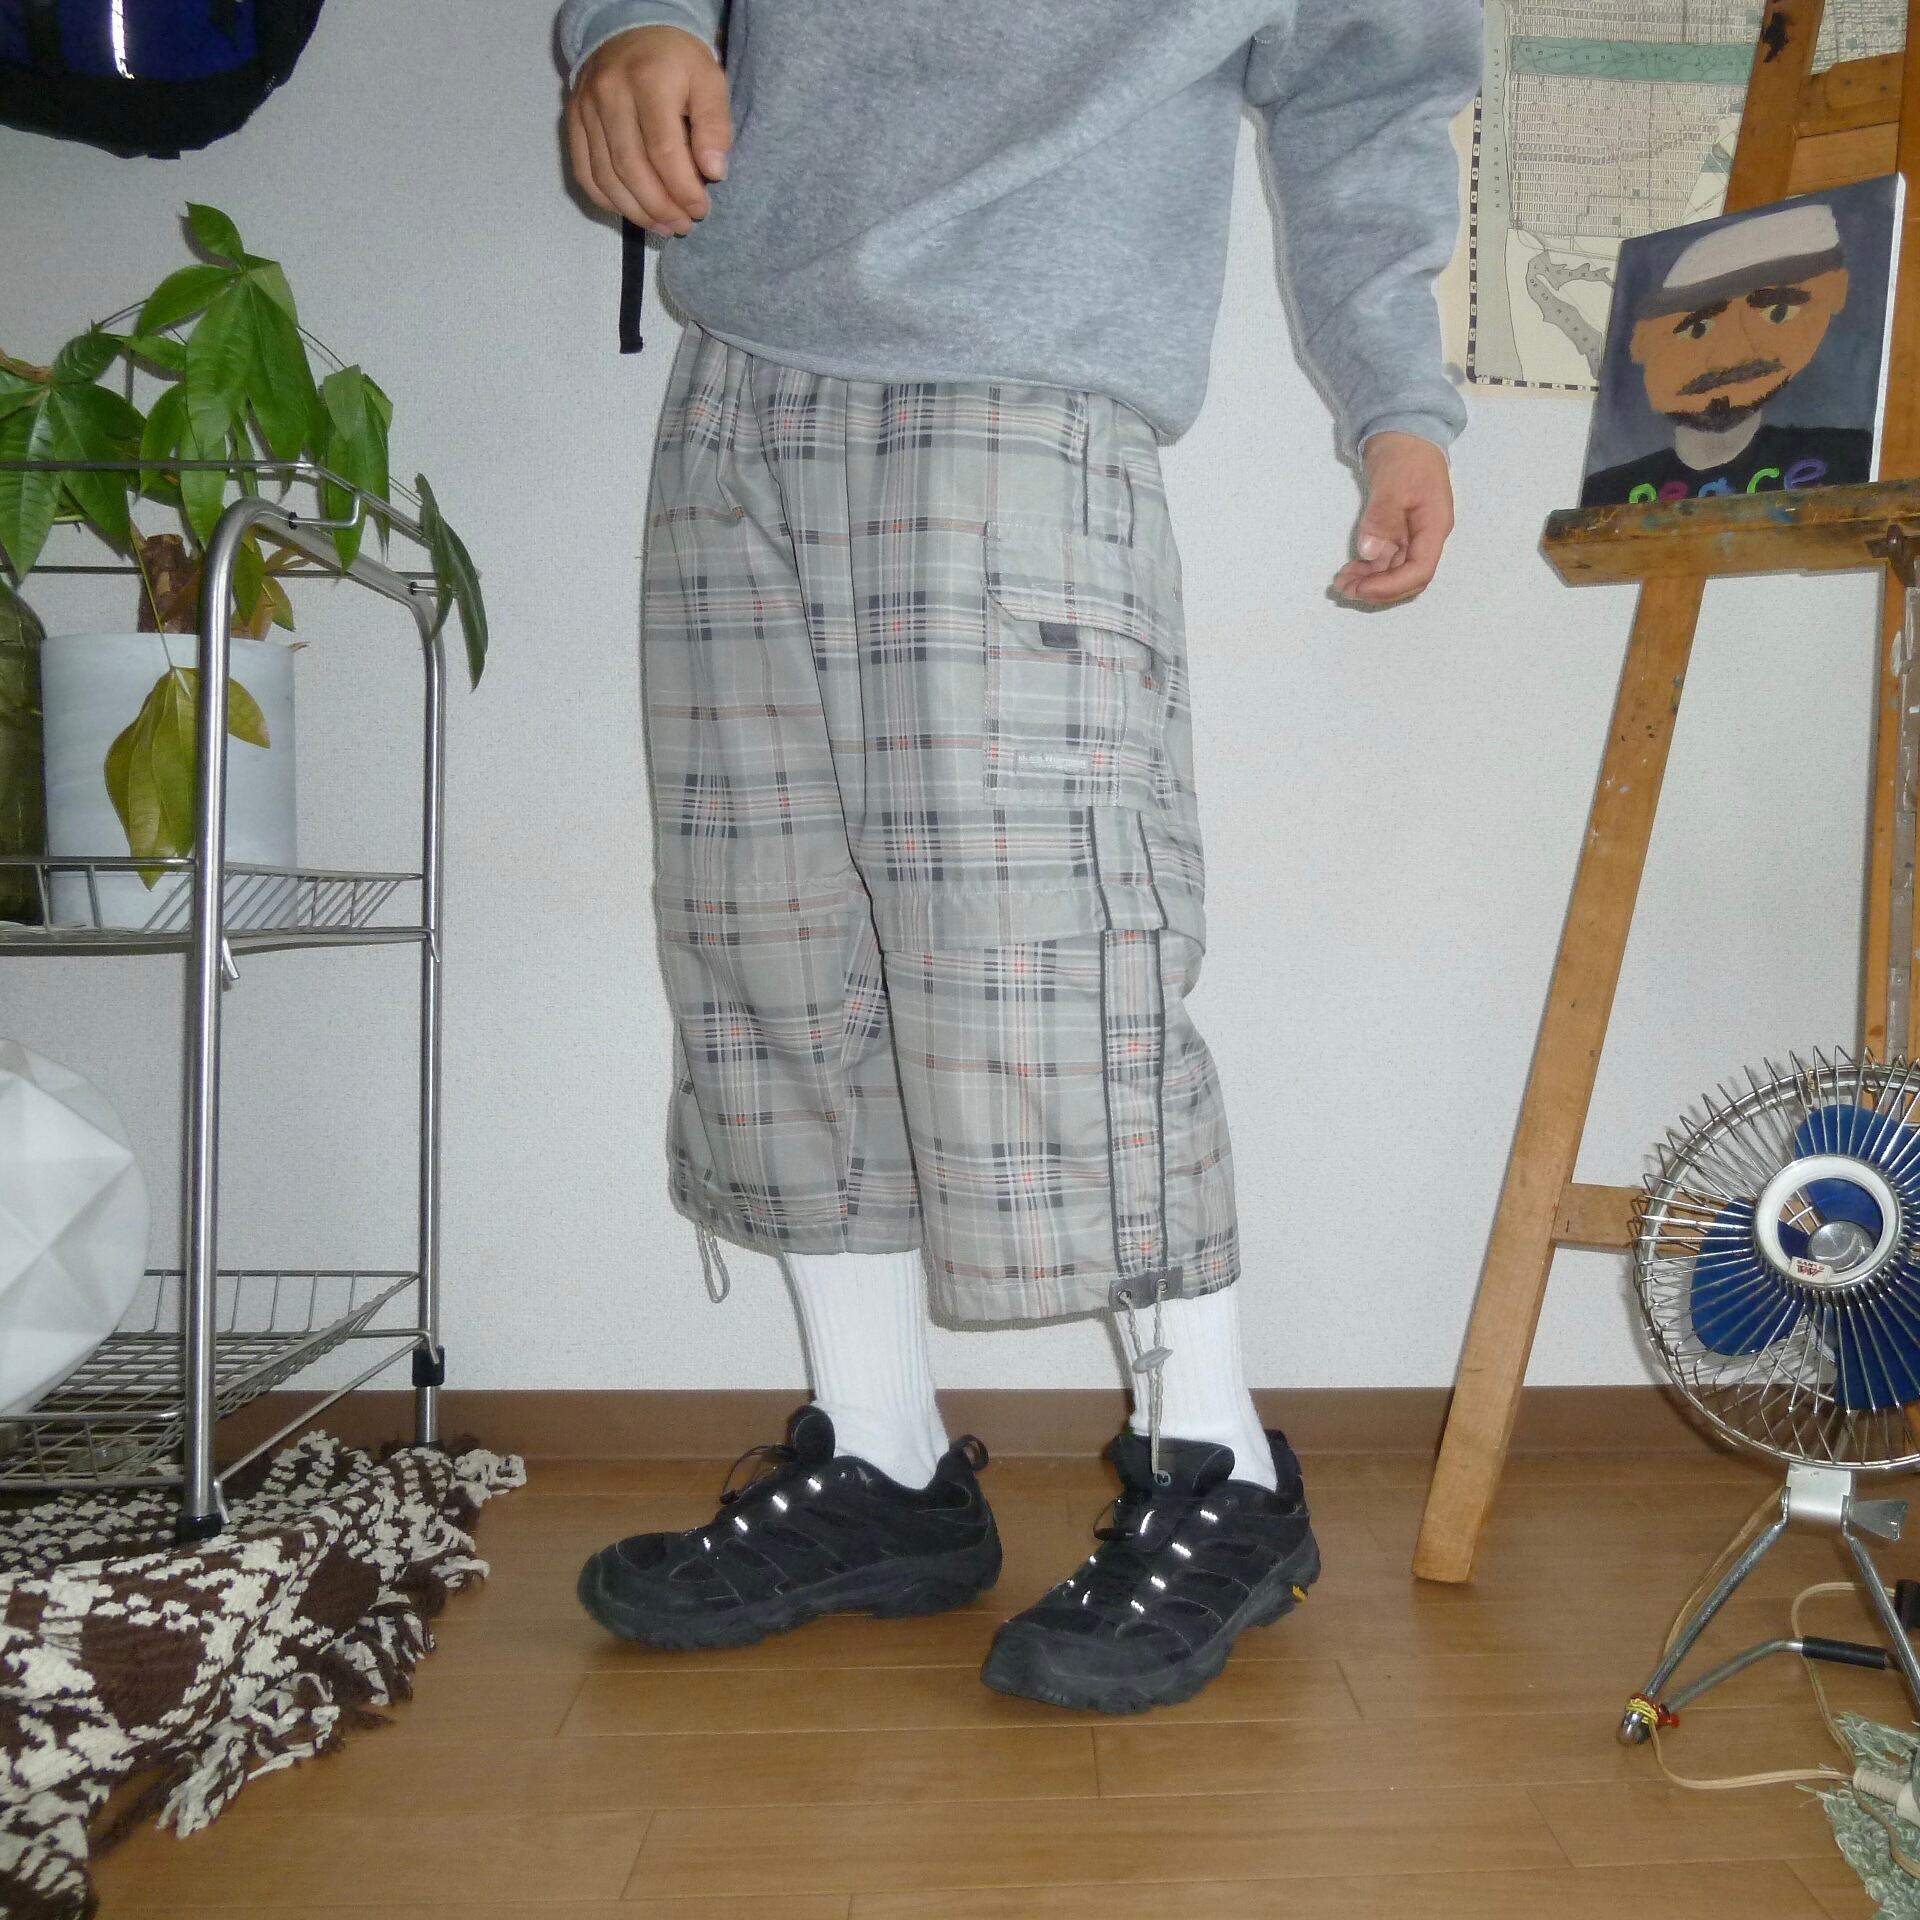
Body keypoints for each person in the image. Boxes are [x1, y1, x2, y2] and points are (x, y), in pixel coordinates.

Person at [557, 0, 1477, 1713]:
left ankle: (1219, 1469)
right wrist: (634, 21)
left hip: (1021, 383)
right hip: (737, 370)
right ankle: (883, 1459)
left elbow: (1368, 85)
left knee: (1049, 962)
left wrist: (1398, 405)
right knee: (767, 943)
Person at [1582, 199, 1870, 506]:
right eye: (1697, 329)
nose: (1729, 357)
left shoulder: (1850, 459)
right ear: (1642, 340)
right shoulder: (1606, 495)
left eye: (1777, 313)